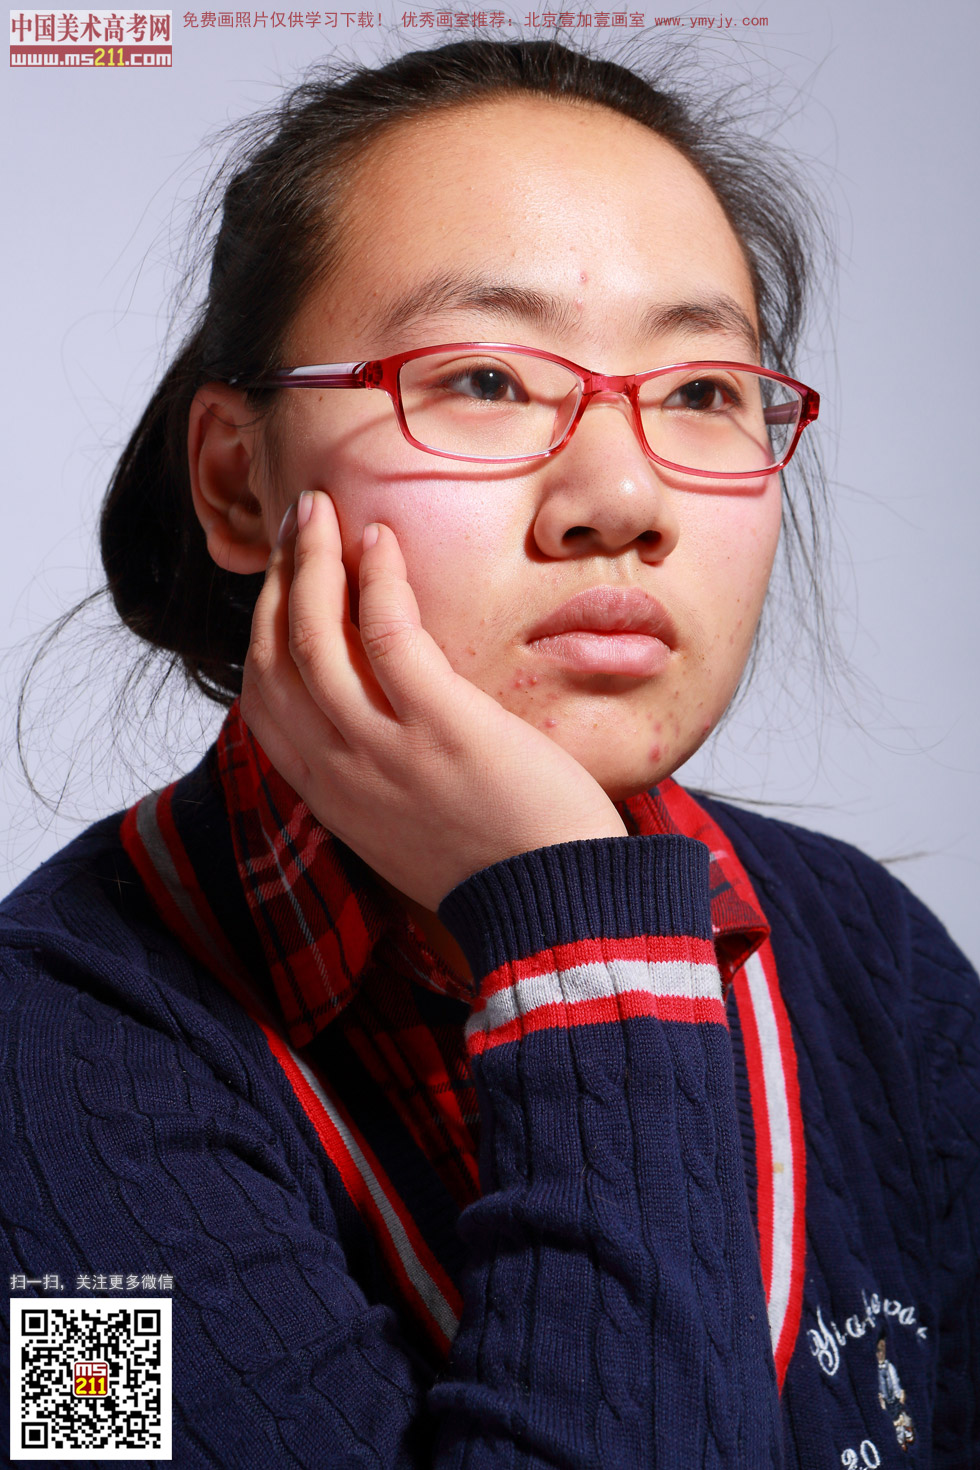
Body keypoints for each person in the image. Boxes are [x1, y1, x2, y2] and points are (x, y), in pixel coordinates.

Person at [1, 35, 977, 1468]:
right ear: (235, 481)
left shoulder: (878, 964)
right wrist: (579, 934)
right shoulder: (42, 1079)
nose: (623, 495)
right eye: (484, 378)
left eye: (702, 391)